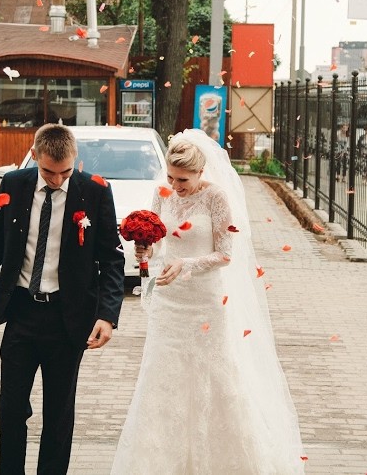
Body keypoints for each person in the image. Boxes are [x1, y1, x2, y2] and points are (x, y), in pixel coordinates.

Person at [111, 128, 304, 474]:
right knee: (163, 376)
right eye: (170, 177)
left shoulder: (216, 198)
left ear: (201, 172)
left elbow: (225, 255)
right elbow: (157, 241)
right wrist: (145, 251)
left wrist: (185, 264)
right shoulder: (162, 193)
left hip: (205, 301)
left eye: (183, 180)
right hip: (170, 301)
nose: (175, 185)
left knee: (213, 374)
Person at [0, 124, 125, 474]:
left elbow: (112, 259)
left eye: (66, 172)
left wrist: (107, 315)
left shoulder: (95, 192)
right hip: (21, 313)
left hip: (68, 319)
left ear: (75, 160)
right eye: (49, 172)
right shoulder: (13, 184)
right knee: (11, 408)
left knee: (59, 413)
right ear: (34, 156)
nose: (58, 180)